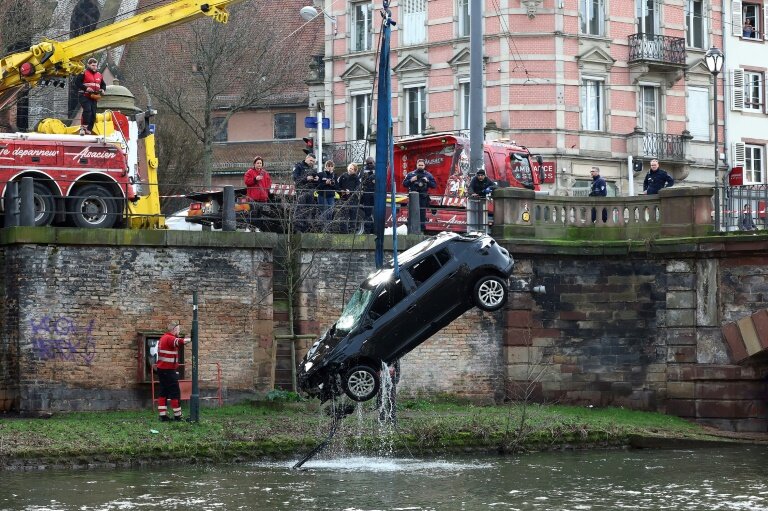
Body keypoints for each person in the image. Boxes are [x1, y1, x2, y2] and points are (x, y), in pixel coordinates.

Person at [156, 322, 190, 422]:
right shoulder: (170, 338)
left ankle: (163, 416)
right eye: (178, 329)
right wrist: (191, 338)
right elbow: (179, 342)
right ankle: (178, 416)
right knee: (175, 392)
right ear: (174, 329)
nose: (179, 331)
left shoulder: (163, 338)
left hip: (161, 369)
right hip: (168, 370)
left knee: (163, 391)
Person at [402, 159, 437, 232]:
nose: (420, 166)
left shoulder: (428, 175)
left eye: (422, 165)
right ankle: (411, 229)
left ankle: (422, 230)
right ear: (416, 165)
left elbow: (434, 185)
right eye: (419, 165)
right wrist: (411, 180)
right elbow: (404, 184)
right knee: (412, 213)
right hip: (413, 196)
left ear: (424, 166)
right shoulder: (411, 174)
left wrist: (427, 181)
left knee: (422, 214)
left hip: (423, 197)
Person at [74, 58, 106, 135]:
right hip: (84, 95)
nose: (95, 67)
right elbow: (77, 82)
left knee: (93, 114)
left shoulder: (99, 75)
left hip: (94, 96)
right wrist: (86, 88)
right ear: (88, 65)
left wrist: (103, 89)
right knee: (87, 110)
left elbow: (103, 84)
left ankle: (89, 129)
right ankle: (83, 128)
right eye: (93, 65)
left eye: (96, 65)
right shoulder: (83, 73)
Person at [292, 153, 319, 231]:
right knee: (300, 209)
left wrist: (317, 179)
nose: (312, 163)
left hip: (311, 191)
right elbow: (295, 178)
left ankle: (306, 228)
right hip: (301, 190)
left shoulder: (312, 169)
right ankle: (298, 227)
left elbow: (316, 182)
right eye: (311, 160)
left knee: (309, 210)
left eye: (313, 162)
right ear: (307, 158)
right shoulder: (298, 166)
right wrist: (306, 178)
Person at [336, 163, 361, 232]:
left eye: (352, 169)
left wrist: (350, 191)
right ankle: (343, 231)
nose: (350, 170)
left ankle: (352, 231)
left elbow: (358, 188)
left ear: (355, 171)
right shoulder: (343, 176)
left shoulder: (356, 178)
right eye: (350, 168)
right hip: (343, 198)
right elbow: (338, 186)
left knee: (353, 215)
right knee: (343, 215)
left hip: (353, 199)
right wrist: (340, 191)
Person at [360, 157, 376, 234]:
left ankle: (376, 230)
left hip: (376, 192)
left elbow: (382, 178)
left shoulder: (378, 168)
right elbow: (360, 180)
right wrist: (370, 178)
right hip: (367, 192)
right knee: (367, 213)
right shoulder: (363, 169)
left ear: (374, 162)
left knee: (376, 212)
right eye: (368, 163)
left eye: (371, 163)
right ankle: (367, 231)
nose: (369, 165)